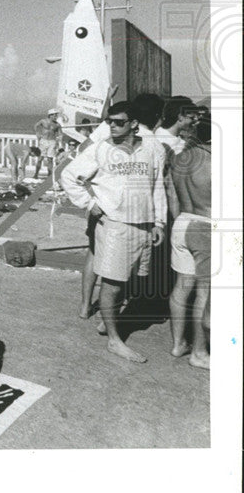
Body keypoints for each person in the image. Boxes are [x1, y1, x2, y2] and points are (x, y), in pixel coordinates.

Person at [60, 101, 167, 363]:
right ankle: (114, 340)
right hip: (114, 225)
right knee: (113, 284)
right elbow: (68, 176)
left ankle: (106, 320)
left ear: (133, 124)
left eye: (118, 121)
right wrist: (90, 204)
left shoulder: (153, 148)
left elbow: (158, 187)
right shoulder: (101, 149)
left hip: (143, 224)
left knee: (127, 281)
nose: (112, 126)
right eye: (109, 121)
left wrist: (159, 222)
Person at [168, 115, 212, 369]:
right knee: (204, 294)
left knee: (182, 287)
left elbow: (173, 198)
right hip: (205, 226)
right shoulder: (216, 161)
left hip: (182, 223)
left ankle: (177, 344)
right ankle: (199, 352)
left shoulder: (180, 157)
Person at [33, 108, 62, 178]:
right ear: (50, 115)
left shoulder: (57, 125)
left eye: (56, 115)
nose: (56, 117)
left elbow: (60, 134)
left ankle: (49, 175)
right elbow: (36, 126)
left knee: (50, 159)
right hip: (43, 141)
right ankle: (36, 174)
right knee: (40, 158)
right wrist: (38, 134)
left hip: (52, 141)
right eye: (55, 115)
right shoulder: (43, 121)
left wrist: (59, 141)